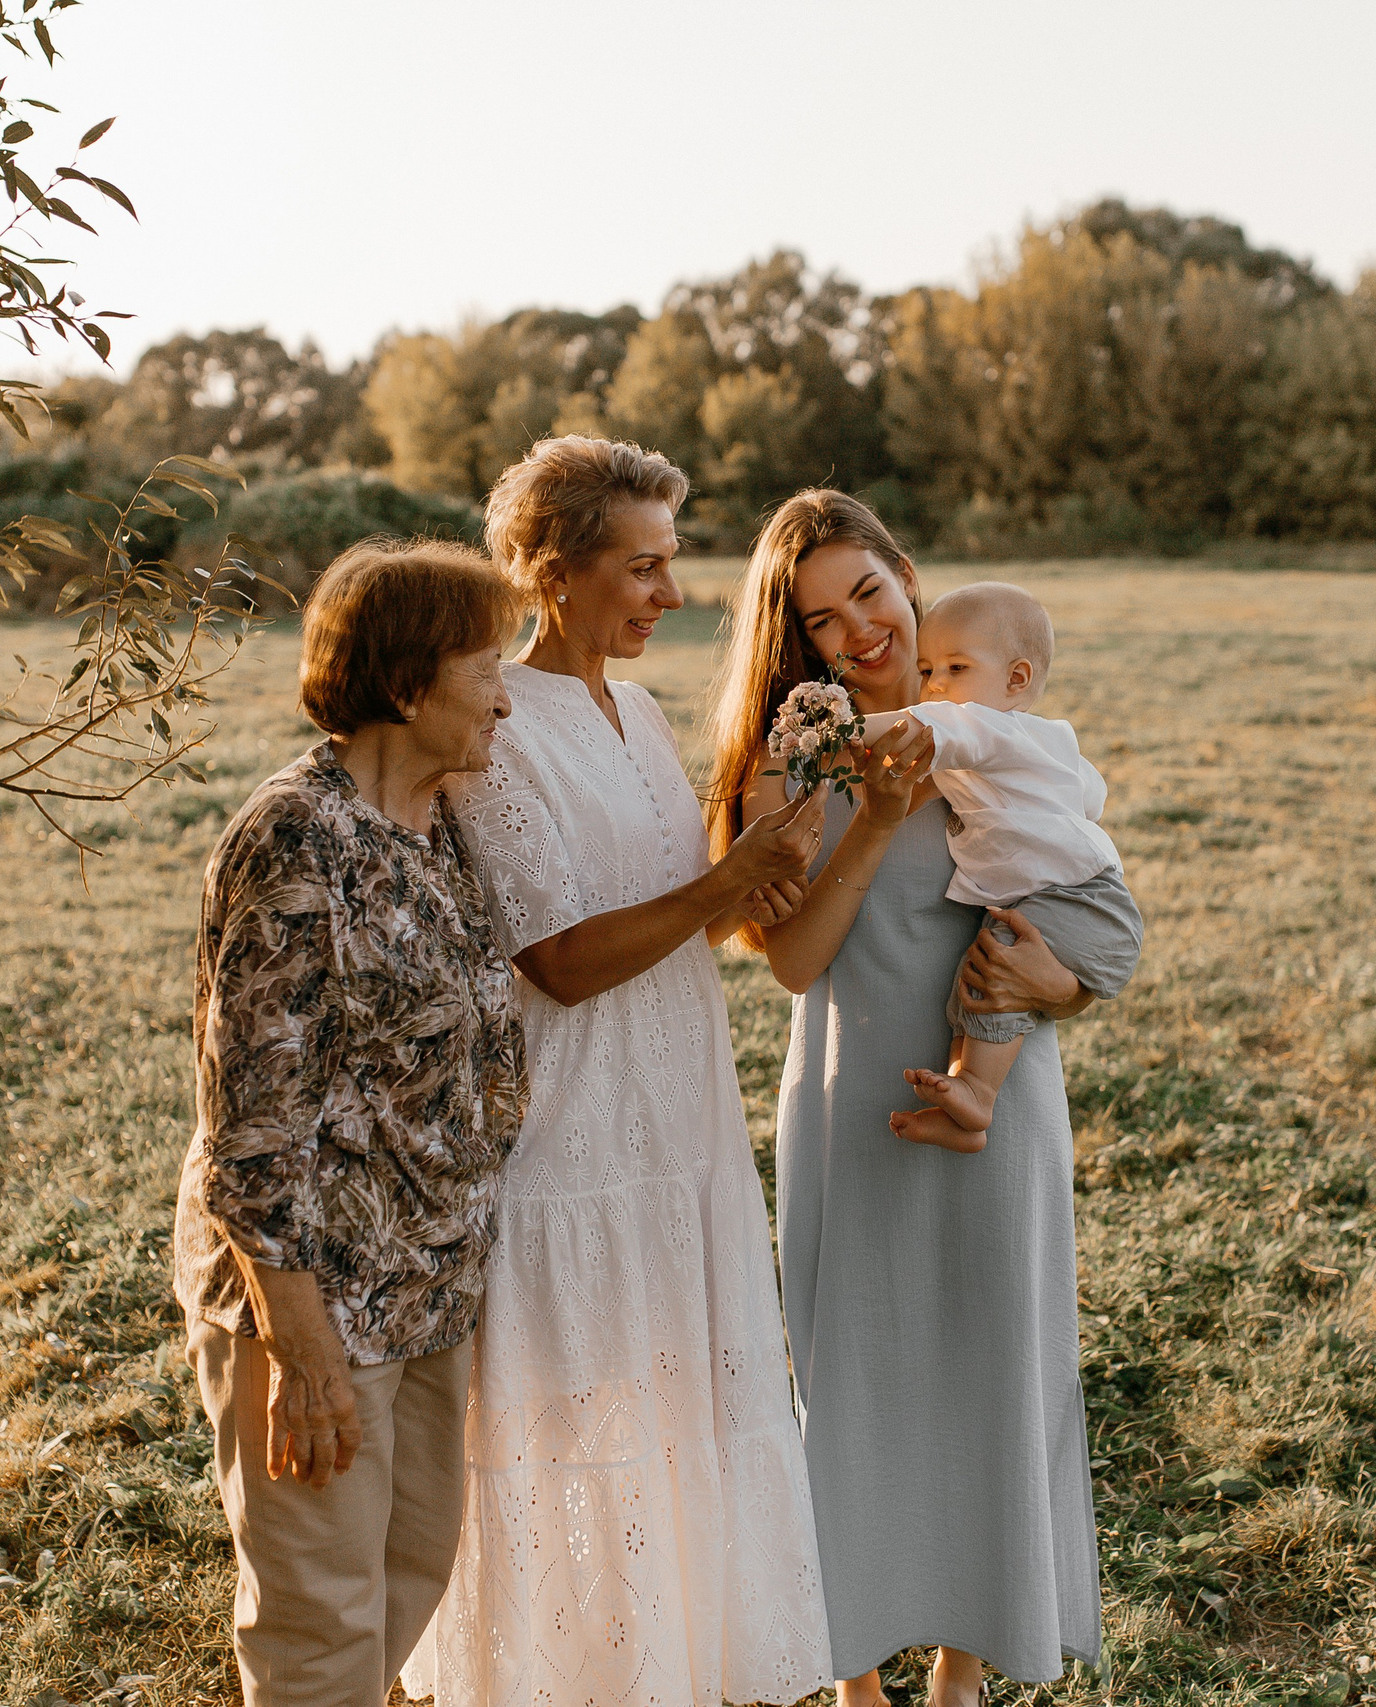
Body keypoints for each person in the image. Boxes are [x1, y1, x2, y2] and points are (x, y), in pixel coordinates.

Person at [403, 437, 835, 1707]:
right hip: (568, 1136)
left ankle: (669, 1673)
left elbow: (676, 916)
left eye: (671, 563)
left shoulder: (639, 714)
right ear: (551, 570)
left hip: (681, 1124)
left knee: (676, 1419)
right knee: (573, 1432)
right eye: (641, 567)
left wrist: (762, 871)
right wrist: (725, 878)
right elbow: (560, 959)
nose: (670, 593)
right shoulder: (496, 728)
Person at [702, 492, 1107, 1707]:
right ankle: (853, 1676)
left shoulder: (998, 728)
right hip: (855, 1103)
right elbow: (793, 964)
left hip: (1001, 1105)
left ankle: (961, 1664)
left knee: (994, 1372)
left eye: (868, 594)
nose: (859, 634)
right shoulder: (793, 766)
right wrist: (873, 819)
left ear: (907, 574)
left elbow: (1084, 908)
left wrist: (1066, 988)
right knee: (856, 1385)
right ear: (797, 642)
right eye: (821, 622)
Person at [172, 539, 531, 1707]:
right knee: (321, 1618)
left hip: (428, 1283)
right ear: (410, 685)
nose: (504, 698)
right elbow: (252, 1123)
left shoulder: (434, 820)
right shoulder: (297, 838)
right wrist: (303, 1348)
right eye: (487, 667)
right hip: (315, 1295)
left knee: (408, 1574)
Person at [885, 581, 1144, 1151]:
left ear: (1016, 679)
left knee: (993, 963)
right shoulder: (1032, 742)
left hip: (1081, 900)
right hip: (1075, 896)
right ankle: (962, 1106)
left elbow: (927, 728)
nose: (935, 684)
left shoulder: (992, 729)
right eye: (926, 670)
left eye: (956, 667)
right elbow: (1089, 795)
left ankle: (978, 1092)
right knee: (973, 981)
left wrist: (842, 732)